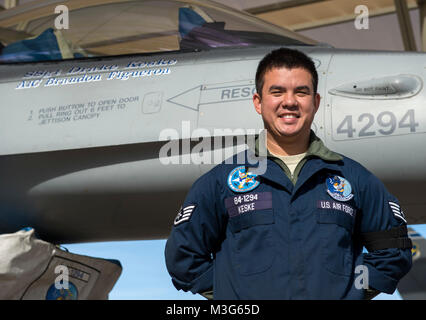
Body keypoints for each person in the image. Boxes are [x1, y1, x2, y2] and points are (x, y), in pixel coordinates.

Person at [164, 48, 412, 299]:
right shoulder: (219, 184)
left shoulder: (356, 180)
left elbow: (393, 253)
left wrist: (351, 292)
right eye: (277, 91)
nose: (290, 101)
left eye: (301, 92)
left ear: (315, 102)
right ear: (258, 103)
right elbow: (184, 258)